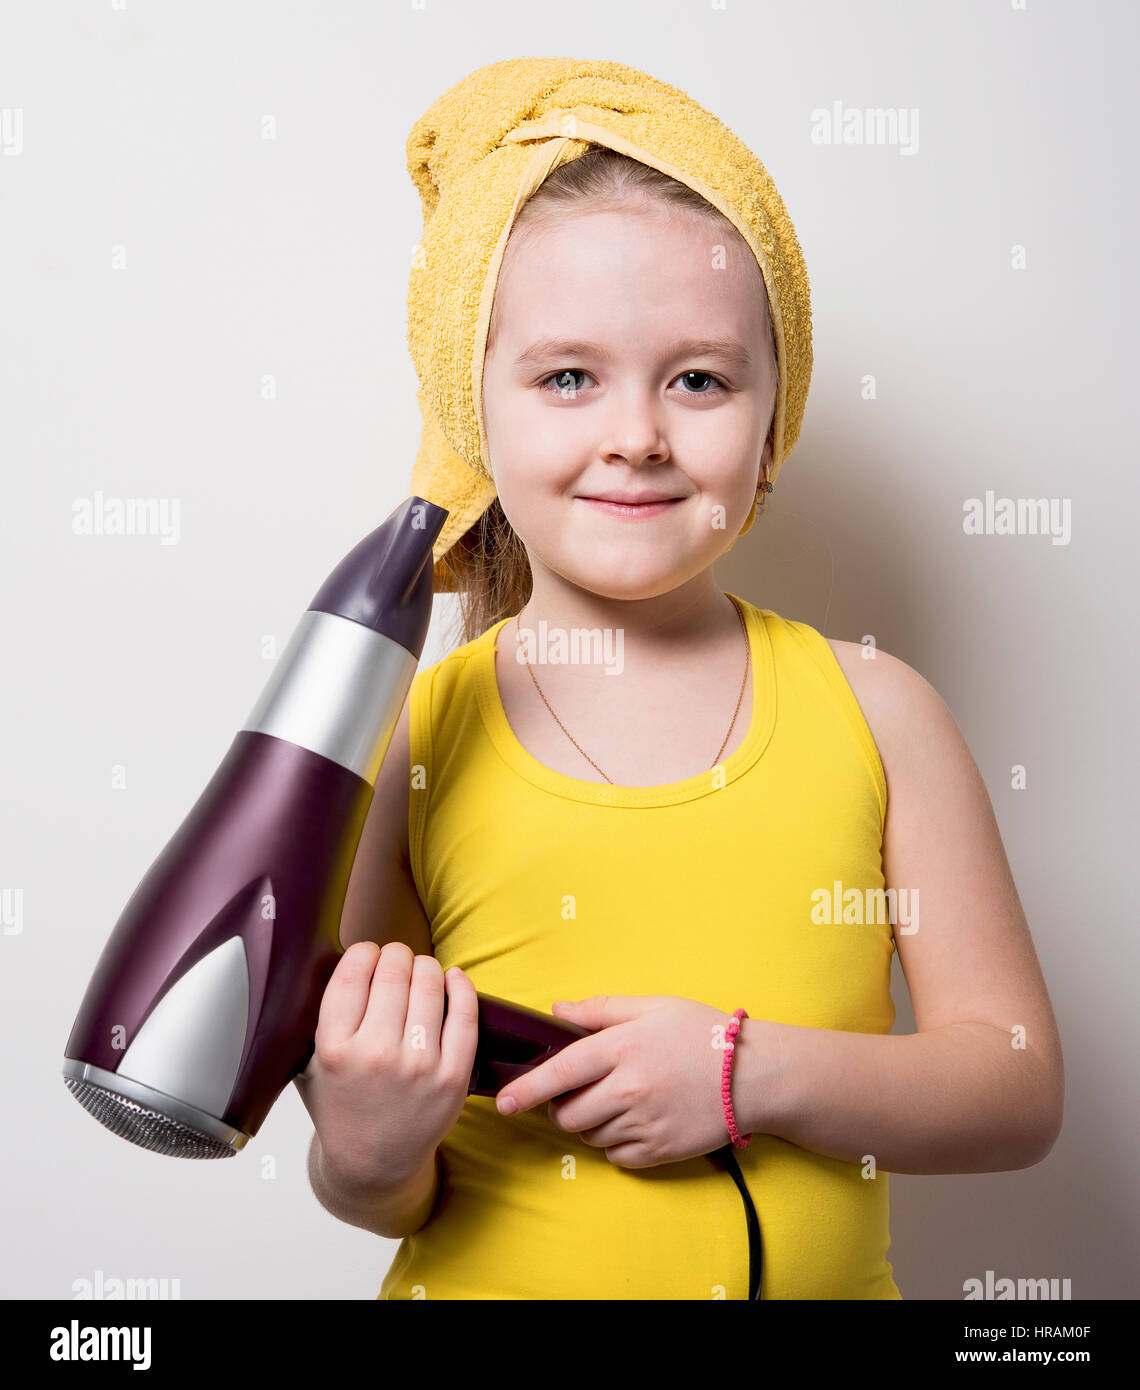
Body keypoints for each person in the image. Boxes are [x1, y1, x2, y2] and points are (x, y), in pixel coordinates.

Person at [295, 58, 1064, 1300]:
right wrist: (366, 1149)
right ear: (472, 415)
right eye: (565, 376)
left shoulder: (878, 712)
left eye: (699, 378)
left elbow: (1015, 1086)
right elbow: (384, 1176)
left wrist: (741, 1073)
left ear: (772, 424)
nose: (639, 433)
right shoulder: (410, 740)